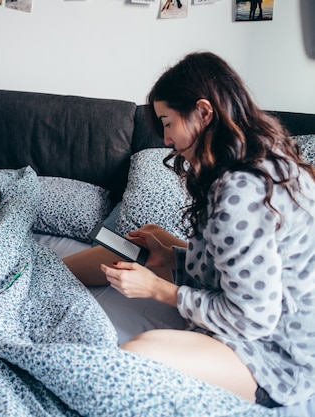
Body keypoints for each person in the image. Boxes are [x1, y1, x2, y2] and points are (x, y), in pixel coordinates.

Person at [64, 51, 315, 408]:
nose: (166, 140)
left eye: (167, 123)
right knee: (149, 239)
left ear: (203, 112)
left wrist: (157, 290)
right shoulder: (253, 155)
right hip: (249, 302)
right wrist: (169, 257)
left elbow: (252, 319)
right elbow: (231, 262)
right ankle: (44, 274)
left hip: (272, 352)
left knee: (129, 358)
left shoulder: (242, 191)